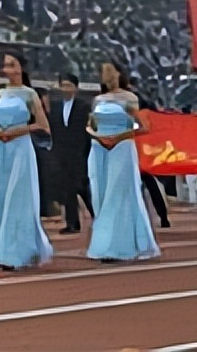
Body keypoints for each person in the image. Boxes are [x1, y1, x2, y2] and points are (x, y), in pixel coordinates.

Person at [0, 53, 53, 270]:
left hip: (20, 149)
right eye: (6, 65)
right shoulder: (2, 93)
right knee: (2, 197)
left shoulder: (30, 94)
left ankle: (17, 251)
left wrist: (16, 131)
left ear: (21, 68)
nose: (7, 69)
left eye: (12, 65)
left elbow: (43, 125)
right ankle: (3, 246)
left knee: (18, 198)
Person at [85, 71, 160, 262]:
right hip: (99, 149)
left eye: (110, 72)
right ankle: (103, 243)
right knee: (101, 194)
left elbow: (143, 127)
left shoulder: (130, 98)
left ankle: (117, 245)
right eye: (103, 73)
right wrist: (97, 136)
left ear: (119, 75)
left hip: (122, 148)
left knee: (117, 194)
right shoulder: (98, 100)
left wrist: (119, 137)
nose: (107, 77)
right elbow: (90, 125)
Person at [116, 68, 170, 228]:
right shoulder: (141, 99)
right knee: (148, 182)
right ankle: (162, 216)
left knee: (133, 183)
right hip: (143, 146)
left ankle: (137, 218)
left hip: (131, 144)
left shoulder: (125, 100)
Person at [49, 72, 94, 234]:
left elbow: (87, 130)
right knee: (67, 188)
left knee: (82, 186)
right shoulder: (55, 106)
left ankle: (97, 215)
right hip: (61, 152)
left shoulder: (83, 106)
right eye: (63, 85)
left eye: (69, 85)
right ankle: (72, 223)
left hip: (79, 152)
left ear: (76, 88)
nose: (66, 89)